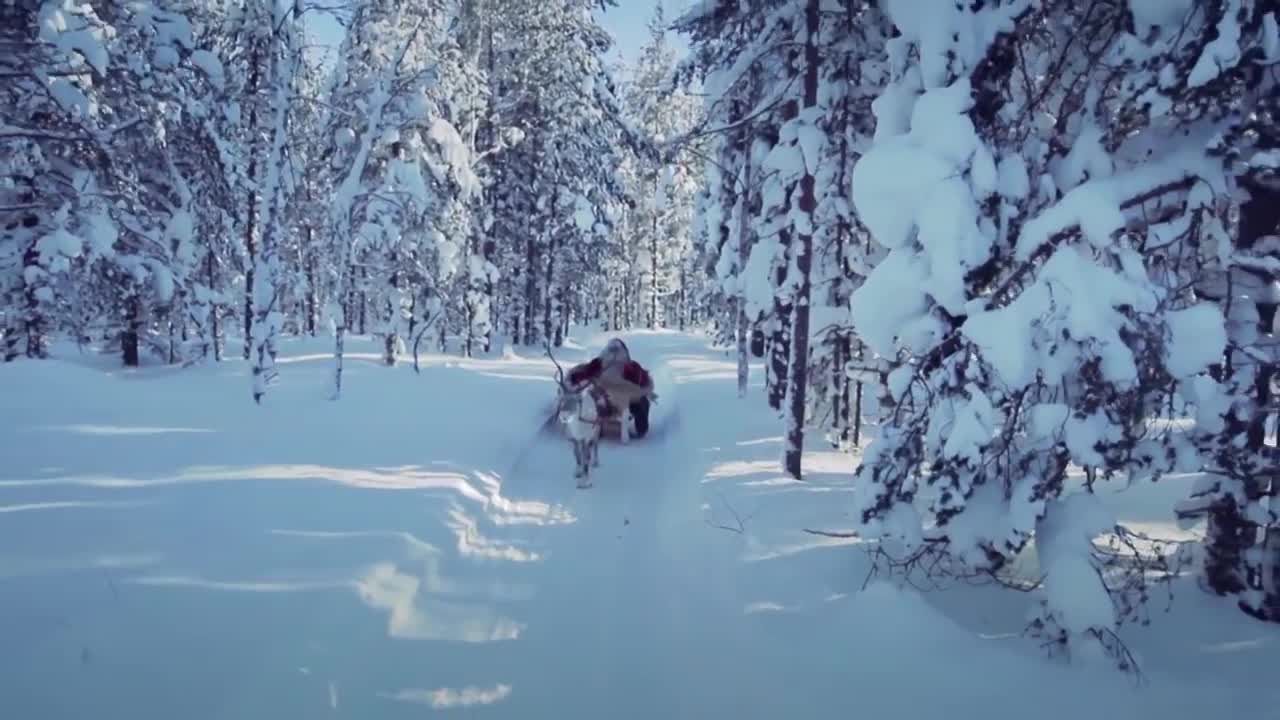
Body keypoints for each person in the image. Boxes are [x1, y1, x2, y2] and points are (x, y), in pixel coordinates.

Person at [565, 338, 653, 437]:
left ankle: (638, 428)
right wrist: (575, 377)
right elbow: (586, 372)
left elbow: (643, 380)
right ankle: (581, 420)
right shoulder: (598, 363)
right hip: (603, 394)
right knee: (587, 398)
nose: (615, 354)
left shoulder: (631, 366)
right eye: (612, 350)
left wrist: (637, 381)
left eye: (617, 350)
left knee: (640, 402)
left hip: (624, 397)